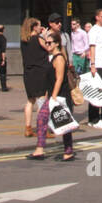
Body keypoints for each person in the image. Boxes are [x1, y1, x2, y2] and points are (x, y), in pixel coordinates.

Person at [28, 31, 76, 162]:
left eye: (49, 43)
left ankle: (62, 151)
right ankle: (65, 151)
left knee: (51, 120)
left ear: (57, 44)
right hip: (54, 95)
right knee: (60, 122)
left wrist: (53, 98)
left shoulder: (59, 58)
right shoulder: (53, 57)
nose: (47, 45)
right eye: (46, 42)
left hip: (60, 95)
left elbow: (59, 79)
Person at [20, 17, 50, 136]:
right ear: (34, 27)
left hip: (28, 73)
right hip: (40, 72)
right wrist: (45, 35)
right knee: (42, 101)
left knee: (30, 100)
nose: (40, 28)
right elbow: (49, 48)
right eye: (39, 25)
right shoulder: (38, 39)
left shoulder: (24, 40)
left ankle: (28, 128)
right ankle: (42, 129)